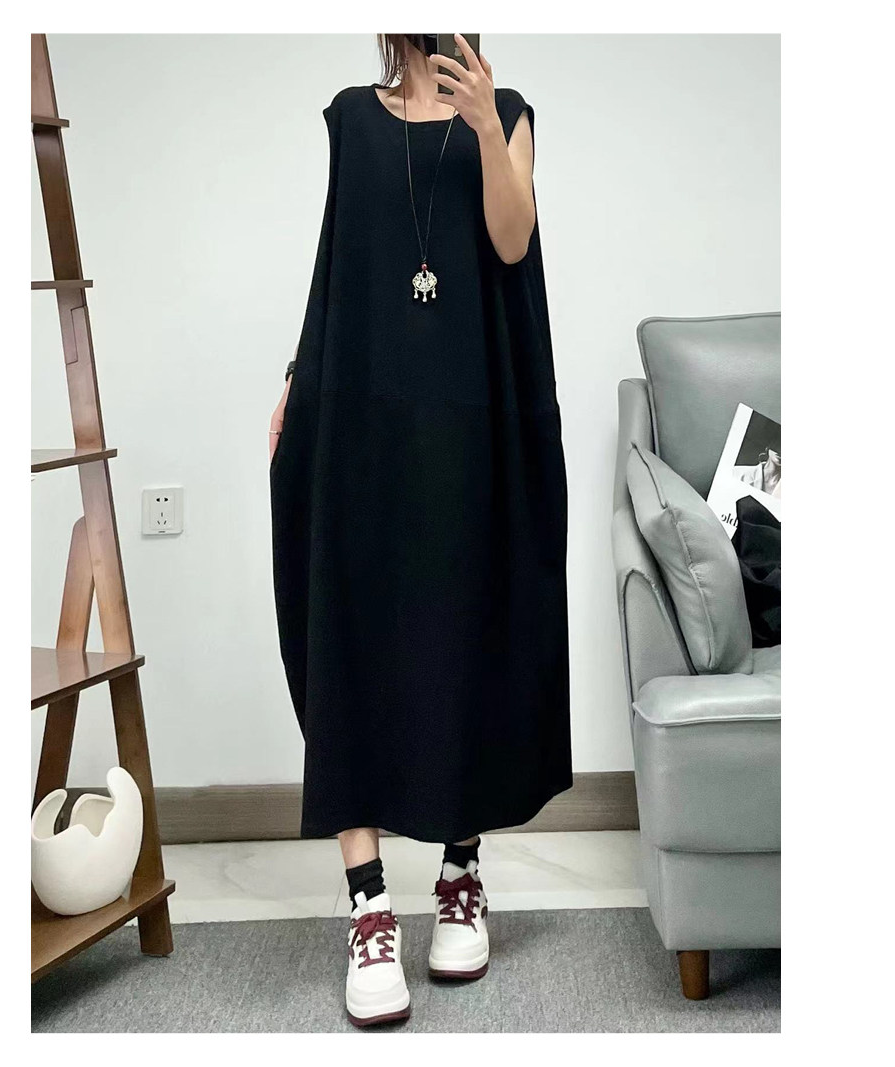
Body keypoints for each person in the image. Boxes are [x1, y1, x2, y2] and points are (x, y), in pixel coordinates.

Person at [269, 34, 571, 1027]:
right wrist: (295, 377)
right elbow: (336, 266)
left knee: (466, 633)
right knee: (348, 632)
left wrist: (483, 123)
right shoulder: (351, 119)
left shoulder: (508, 110)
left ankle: (460, 871)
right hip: (361, 414)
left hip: (473, 416)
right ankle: (367, 906)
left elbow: (512, 242)